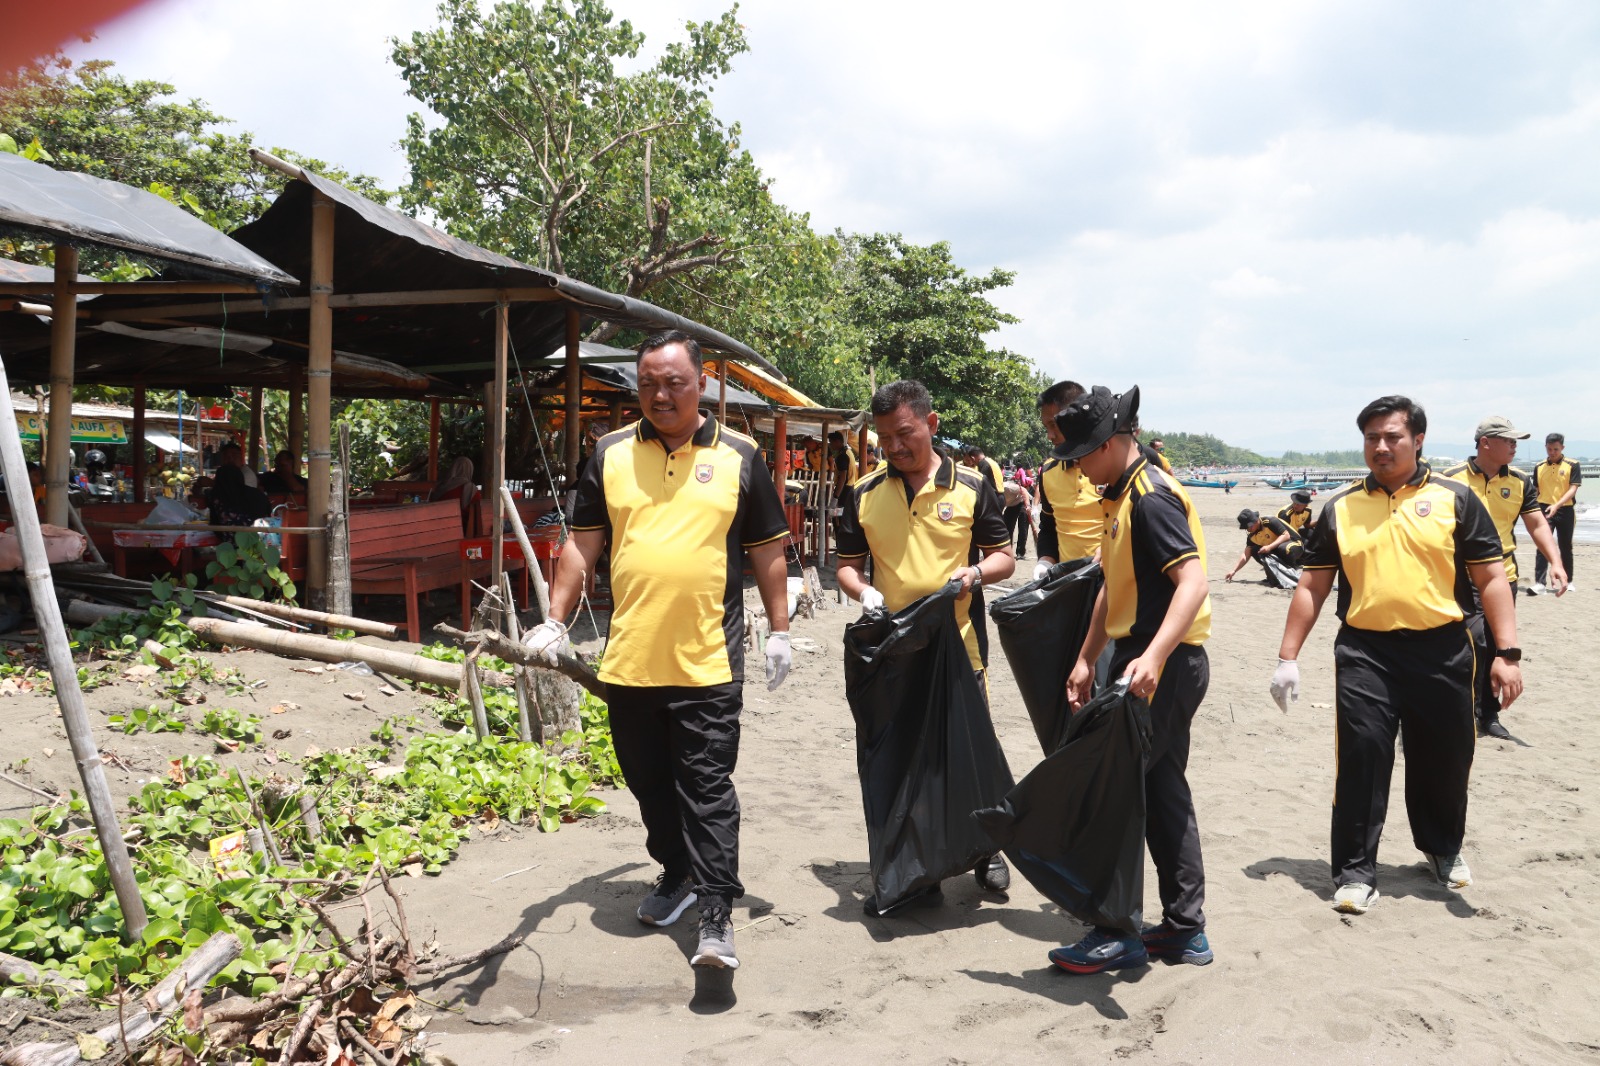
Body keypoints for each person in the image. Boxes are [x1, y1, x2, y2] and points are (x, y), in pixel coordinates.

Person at [521, 330, 792, 972]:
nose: (660, 395)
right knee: (647, 784)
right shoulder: (610, 453)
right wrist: (555, 621)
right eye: (648, 384)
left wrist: (779, 629)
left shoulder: (740, 455)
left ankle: (717, 914)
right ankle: (678, 873)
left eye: (674, 383)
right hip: (632, 659)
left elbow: (767, 551)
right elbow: (582, 543)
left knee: (706, 787)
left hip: (708, 659)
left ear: (701, 385)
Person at [1271, 395, 1520, 916]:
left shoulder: (1455, 499)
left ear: (1418, 440)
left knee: (1445, 758)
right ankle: (1355, 872)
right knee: (1362, 756)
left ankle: (1441, 848)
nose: (1381, 447)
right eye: (1371, 438)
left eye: (1392, 437)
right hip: (1366, 651)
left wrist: (1508, 653)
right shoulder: (1340, 507)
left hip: (1444, 649)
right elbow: (1313, 584)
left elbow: (1491, 577)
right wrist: (1287, 656)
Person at [1051, 385, 1215, 975]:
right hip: (1148, 660)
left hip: (1162, 667)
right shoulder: (1118, 496)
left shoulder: (1150, 498)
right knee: (1163, 792)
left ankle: (1115, 929)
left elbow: (1193, 581)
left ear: (1110, 444)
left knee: (1115, 794)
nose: (1077, 467)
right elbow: (1111, 585)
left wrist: (1153, 656)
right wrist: (1086, 657)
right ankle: (1185, 928)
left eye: (1081, 455)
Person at [836, 379, 1016, 913]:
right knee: (907, 759)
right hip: (896, 650)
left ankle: (987, 850)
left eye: (905, 434)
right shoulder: (864, 493)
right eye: (885, 438)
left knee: (967, 752)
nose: (894, 447)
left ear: (931, 424)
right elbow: (847, 566)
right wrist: (864, 592)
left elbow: (1004, 557)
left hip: (959, 648)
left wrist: (975, 575)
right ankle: (920, 868)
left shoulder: (972, 486)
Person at [1442, 417, 1566, 739]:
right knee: (1472, 643)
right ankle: (1458, 708)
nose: (1514, 446)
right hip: (1459, 578)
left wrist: (1556, 562)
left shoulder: (1521, 481)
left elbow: (1536, 524)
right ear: (1485, 442)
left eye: (1516, 441)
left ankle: (1488, 714)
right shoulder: (1450, 480)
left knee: (1498, 645)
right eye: (1509, 440)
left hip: (1503, 577)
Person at [1031, 380, 1104, 580]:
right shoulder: (1048, 471)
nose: (1049, 435)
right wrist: (1045, 561)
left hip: (1115, 578)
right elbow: (1048, 526)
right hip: (1070, 582)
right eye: (1046, 427)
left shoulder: (1114, 467)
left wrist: (1112, 548)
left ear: (1077, 418)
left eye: (1054, 425)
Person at [1532, 432, 1581, 593]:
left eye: (1555, 449)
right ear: (1545, 447)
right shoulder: (1539, 467)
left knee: (1565, 546)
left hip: (1565, 509)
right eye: (1549, 449)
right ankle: (1540, 583)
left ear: (1562, 448)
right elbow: (1535, 491)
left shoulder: (1572, 464)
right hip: (1544, 509)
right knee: (1543, 546)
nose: (1552, 452)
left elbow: (1573, 489)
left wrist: (1557, 505)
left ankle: (1568, 581)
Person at [1223, 509, 1301, 584]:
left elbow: (1286, 535)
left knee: (1283, 548)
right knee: (1255, 550)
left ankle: (1292, 574)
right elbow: (1246, 554)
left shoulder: (1270, 521)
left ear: (1256, 520)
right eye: (1246, 528)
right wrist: (1234, 570)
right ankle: (1273, 575)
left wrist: (1269, 547)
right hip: (1276, 548)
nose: (1249, 529)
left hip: (1295, 543)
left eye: (1250, 526)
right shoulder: (1251, 535)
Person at [430, 456, 482, 536]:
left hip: (438, 529)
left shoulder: (440, 487)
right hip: (463, 531)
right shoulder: (470, 489)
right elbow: (479, 509)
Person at [207, 464, 271, 528]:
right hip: (262, 531)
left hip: (231, 533)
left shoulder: (218, 498)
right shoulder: (257, 494)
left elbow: (214, 524)